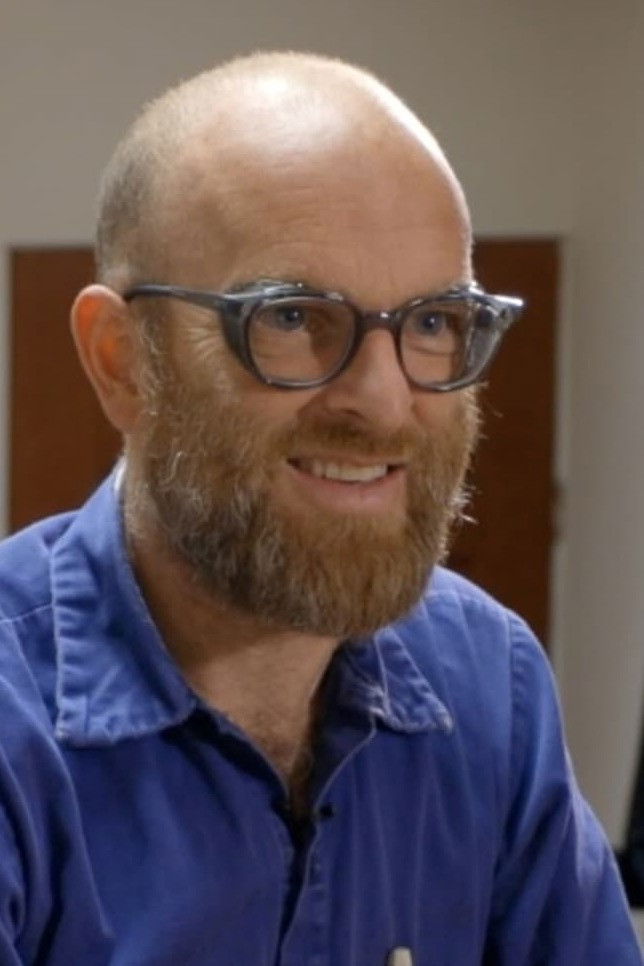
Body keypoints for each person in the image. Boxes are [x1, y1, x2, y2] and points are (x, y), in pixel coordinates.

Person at [0, 51, 640, 966]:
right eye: (292, 317)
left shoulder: (488, 683)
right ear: (122, 360)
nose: (382, 402)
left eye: (432, 321)